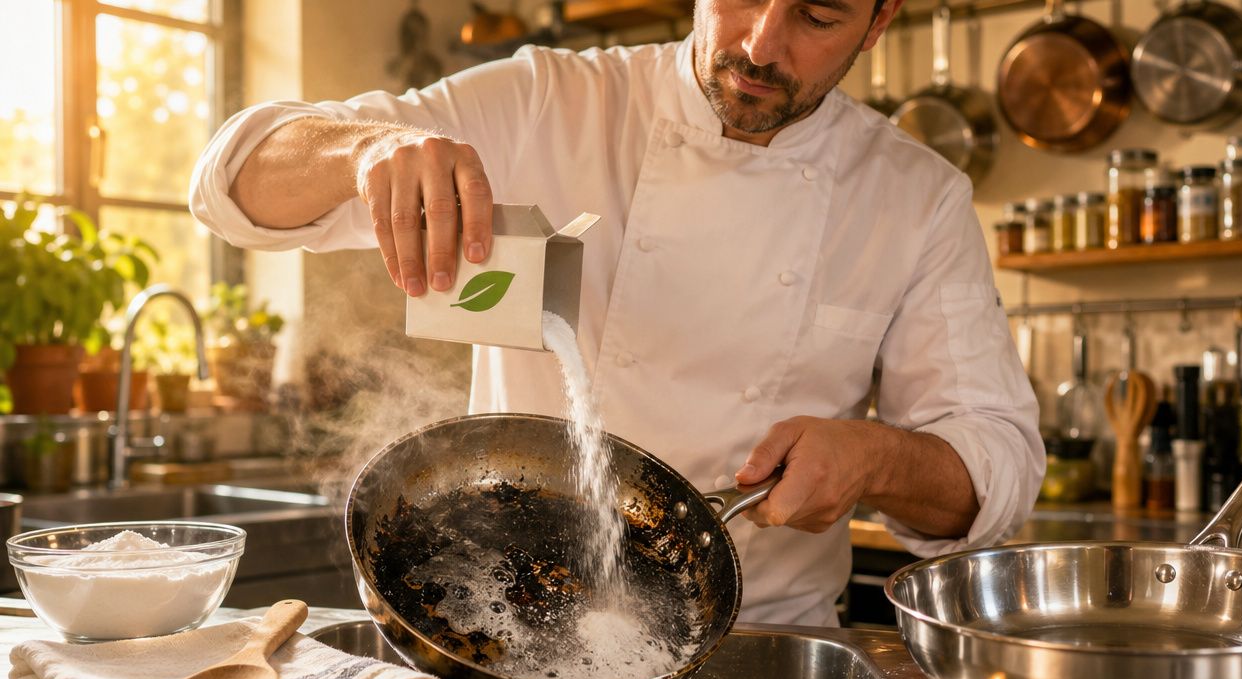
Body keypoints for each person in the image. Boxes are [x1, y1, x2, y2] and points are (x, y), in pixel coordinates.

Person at [191, 0, 1043, 627]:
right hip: (502, 630)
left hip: (756, 648)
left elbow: (996, 462)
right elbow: (228, 183)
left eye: (817, 16)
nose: (759, 44)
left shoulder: (916, 197)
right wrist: (365, 148)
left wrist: (875, 460)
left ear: (879, 20)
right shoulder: (544, 103)